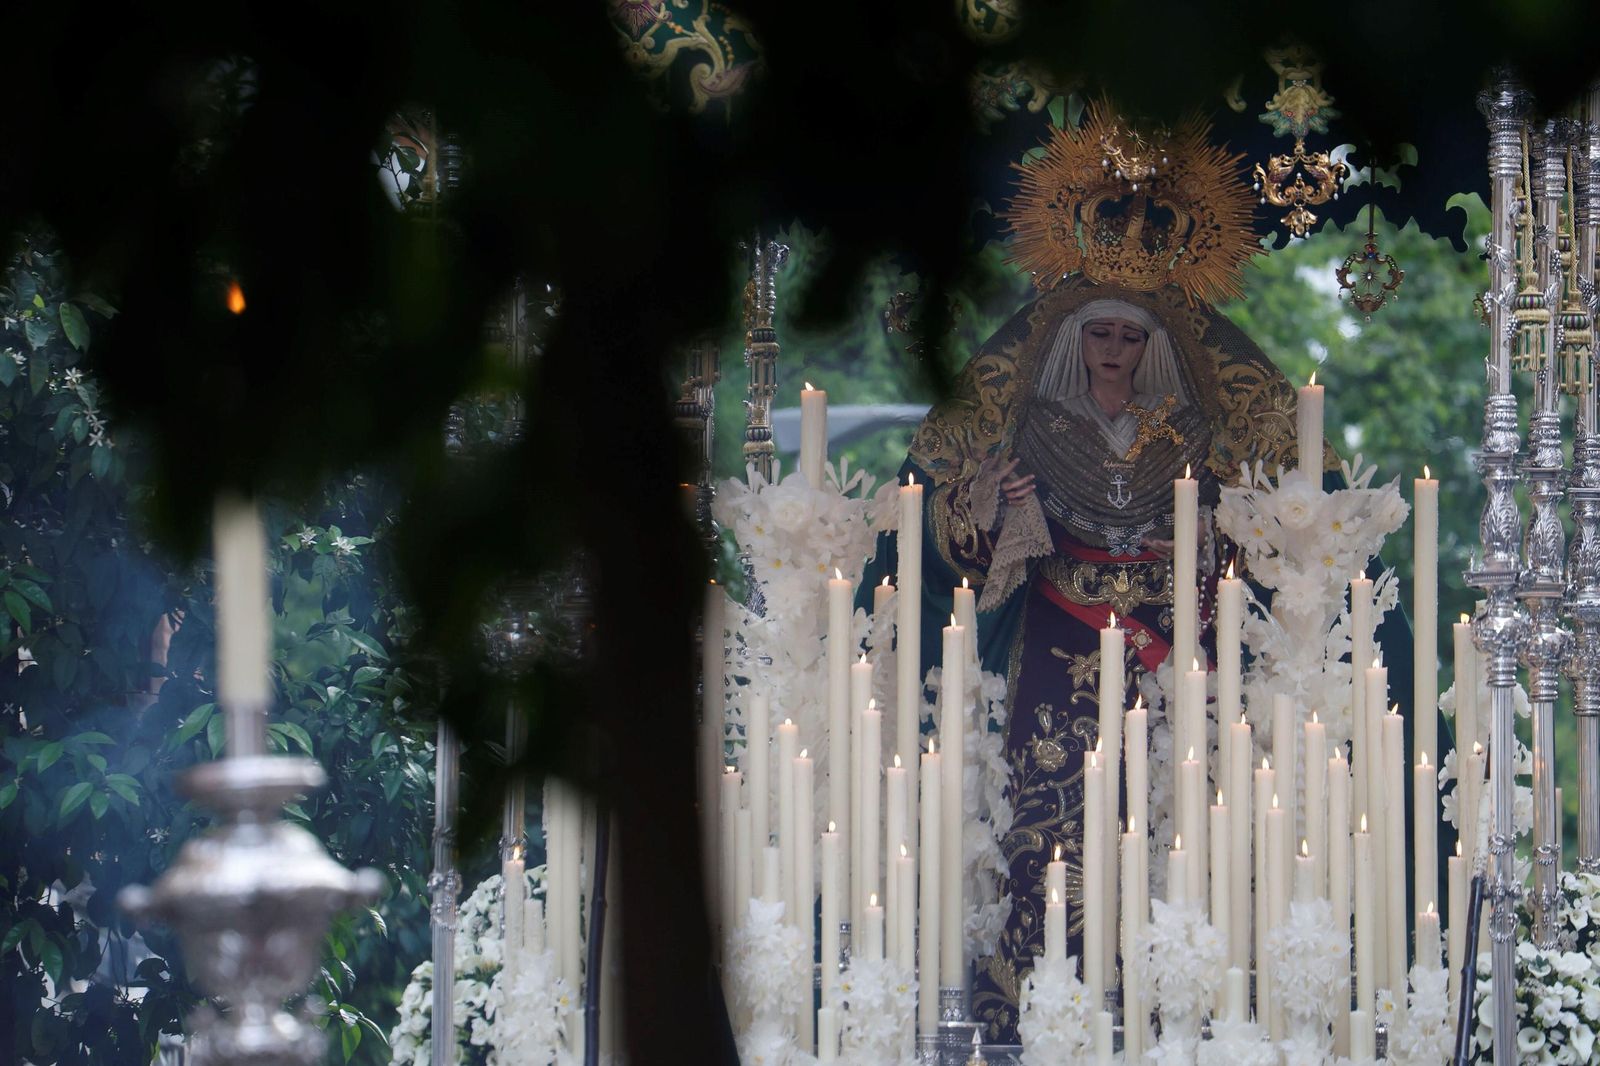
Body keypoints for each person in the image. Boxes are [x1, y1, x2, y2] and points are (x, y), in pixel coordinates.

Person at [865, 275, 1308, 1041]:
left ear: (1151, 347)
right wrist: (991, 499)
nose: (1113, 350)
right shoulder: (1035, 426)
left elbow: (1239, 534)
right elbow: (964, 538)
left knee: (1165, 799)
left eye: (1129, 337)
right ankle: (1035, 990)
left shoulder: (1184, 430)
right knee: (1043, 803)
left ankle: (1165, 993)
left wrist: (1201, 543)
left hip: (1159, 640)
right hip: (1058, 630)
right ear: (1077, 340)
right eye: (1099, 334)